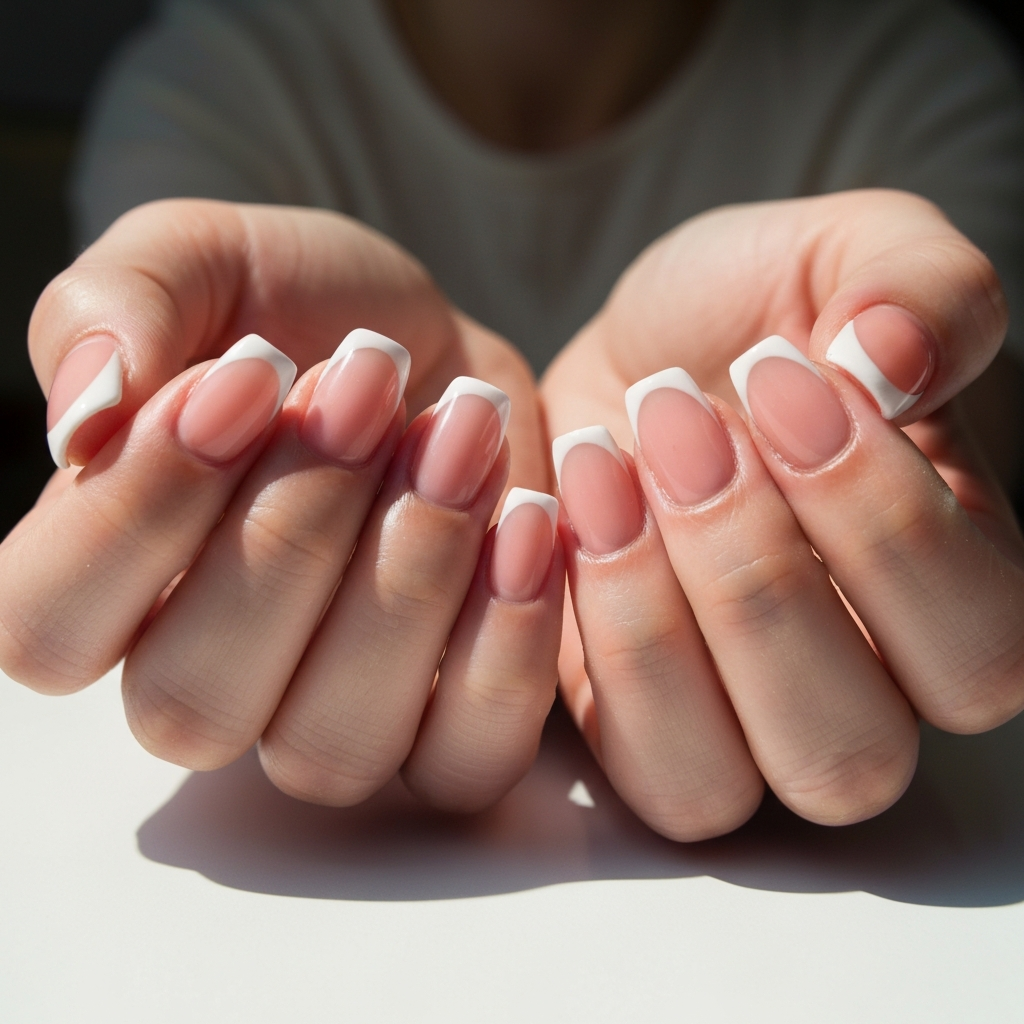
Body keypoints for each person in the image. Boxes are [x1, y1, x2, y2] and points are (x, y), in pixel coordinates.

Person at [1, 0, 1023, 841]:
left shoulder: (907, 74)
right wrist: (169, 502)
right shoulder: (215, 76)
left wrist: (900, 474)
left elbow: (967, 445)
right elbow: (151, 433)